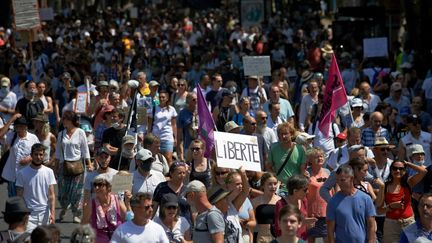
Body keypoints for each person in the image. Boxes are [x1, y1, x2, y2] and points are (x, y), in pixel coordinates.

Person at [56, 111, 93, 223]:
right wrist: (56, 167)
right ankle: (64, 207)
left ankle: (76, 214)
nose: (63, 121)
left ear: (71, 120)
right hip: (64, 165)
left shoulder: (80, 132)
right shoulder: (61, 134)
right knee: (63, 192)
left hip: (78, 165)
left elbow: (85, 150)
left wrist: (89, 164)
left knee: (77, 192)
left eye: (65, 119)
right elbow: (58, 152)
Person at [326, 164, 377, 243]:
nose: (339, 183)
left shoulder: (366, 198)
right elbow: (330, 230)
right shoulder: (333, 201)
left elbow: (371, 225)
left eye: (342, 180)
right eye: (337, 180)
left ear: (352, 178)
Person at [381, 160, 427, 242]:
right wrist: (391, 206)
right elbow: (378, 210)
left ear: (405, 171)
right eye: (395, 168)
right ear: (391, 170)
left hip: (408, 223)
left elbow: (423, 171)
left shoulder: (409, 182)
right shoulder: (385, 186)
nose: (398, 171)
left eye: (401, 168)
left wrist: (408, 163)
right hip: (391, 225)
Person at [16, 143, 56, 232]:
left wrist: (52, 213)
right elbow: (19, 196)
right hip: (29, 216)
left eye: (41, 154)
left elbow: (51, 195)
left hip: (45, 214)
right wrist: (21, 215)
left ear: (44, 155)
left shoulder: (49, 172)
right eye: (36, 154)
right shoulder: (22, 173)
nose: (38, 157)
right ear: (31, 155)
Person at [82, 174, 131, 243]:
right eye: (95, 185)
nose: (96, 188)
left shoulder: (118, 201)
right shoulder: (91, 204)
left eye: (100, 185)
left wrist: (128, 203)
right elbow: (83, 225)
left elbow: (130, 220)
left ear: (109, 187)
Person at [1, 116, 39, 197]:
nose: (19, 129)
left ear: (26, 127)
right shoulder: (12, 135)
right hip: (13, 175)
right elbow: (1, 135)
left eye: (21, 126)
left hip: (27, 175)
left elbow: (39, 151)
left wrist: (30, 158)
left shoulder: (33, 138)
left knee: (26, 198)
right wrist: (11, 119)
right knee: (13, 199)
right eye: (17, 126)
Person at [267, 122, 306, 195]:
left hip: (295, 189)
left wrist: (300, 186)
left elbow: (302, 171)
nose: (283, 136)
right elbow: (268, 166)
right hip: (279, 189)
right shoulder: (273, 148)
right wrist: (275, 179)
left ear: (291, 134)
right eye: (281, 134)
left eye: (286, 133)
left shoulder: (300, 149)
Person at [83, 147, 119, 216]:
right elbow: (86, 197)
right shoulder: (90, 176)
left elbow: (120, 198)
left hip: (112, 211)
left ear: (110, 158)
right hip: (95, 211)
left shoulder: (116, 174)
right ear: (97, 158)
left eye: (106, 157)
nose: (104, 160)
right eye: (101, 157)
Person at [305, 148, 331, 243]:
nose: (320, 158)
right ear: (310, 160)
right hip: (311, 213)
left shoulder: (327, 172)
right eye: (316, 157)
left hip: (327, 212)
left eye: (321, 156)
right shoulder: (307, 173)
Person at [147, 89, 177, 166]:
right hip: (155, 137)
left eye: (163, 97)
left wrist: (175, 137)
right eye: (160, 97)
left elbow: (174, 125)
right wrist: (148, 135)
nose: (161, 99)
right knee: (155, 158)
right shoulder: (154, 108)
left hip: (167, 137)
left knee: (168, 158)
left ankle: (169, 176)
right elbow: (149, 124)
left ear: (167, 98)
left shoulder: (171, 109)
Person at [252, 172, 281, 243]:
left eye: (275, 183)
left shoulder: (281, 201)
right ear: (263, 185)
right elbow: (251, 221)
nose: (273, 186)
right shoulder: (255, 202)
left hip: (278, 238)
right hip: (262, 238)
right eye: (270, 184)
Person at [177, 92, 198, 162]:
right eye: (193, 100)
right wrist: (180, 152)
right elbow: (179, 135)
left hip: (200, 146)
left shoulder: (201, 112)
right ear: (188, 101)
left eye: (197, 99)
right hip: (188, 146)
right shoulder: (182, 113)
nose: (196, 101)